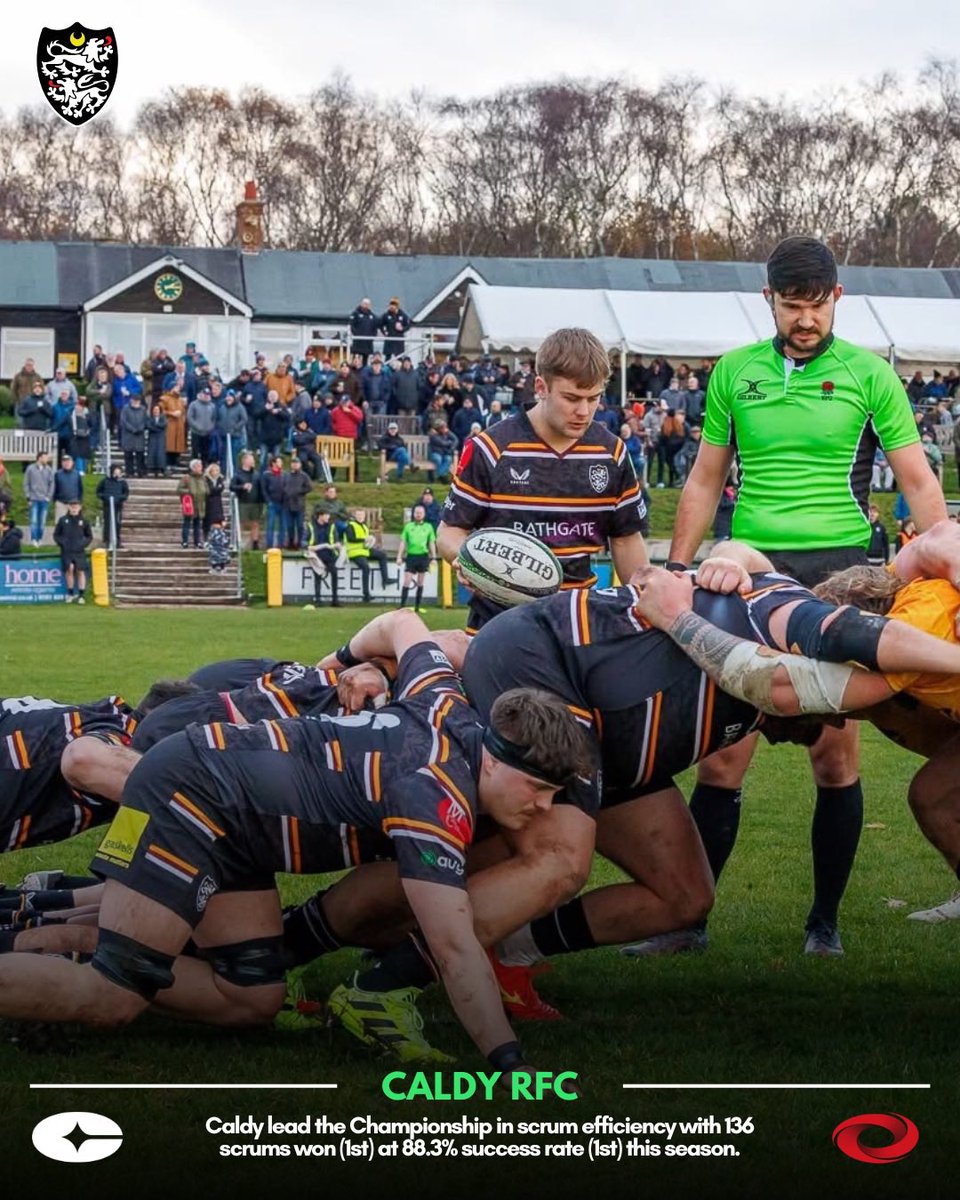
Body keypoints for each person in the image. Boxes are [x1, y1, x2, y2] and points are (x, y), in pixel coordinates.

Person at [0, 610, 590, 1077]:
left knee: (251, 997)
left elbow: (403, 621)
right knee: (114, 995)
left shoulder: (445, 701)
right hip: (180, 794)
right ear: (497, 756)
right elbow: (455, 947)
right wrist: (508, 1062)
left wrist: (347, 661)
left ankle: (51, 953)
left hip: (228, 820)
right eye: (538, 787)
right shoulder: (433, 799)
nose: (541, 807)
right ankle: (69, 968)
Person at [663, 234, 948, 956]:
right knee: (724, 756)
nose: (805, 320)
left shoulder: (870, 376)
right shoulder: (735, 373)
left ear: (836, 299)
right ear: (770, 300)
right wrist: (676, 564)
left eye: (816, 306)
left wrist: (943, 551)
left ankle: (824, 925)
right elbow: (704, 477)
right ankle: (686, 923)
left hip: (842, 572)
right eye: (792, 306)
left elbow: (915, 480)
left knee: (835, 759)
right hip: (747, 571)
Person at [438, 326, 649, 633]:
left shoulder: (611, 452)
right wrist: (467, 558)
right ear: (541, 386)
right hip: (498, 628)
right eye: (572, 398)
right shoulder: (491, 448)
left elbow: (625, 537)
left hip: (579, 627)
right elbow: (449, 532)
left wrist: (644, 604)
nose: (584, 411)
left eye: (593, 398)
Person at [397, 504, 436, 611]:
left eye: (420, 513)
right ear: (414, 514)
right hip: (411, 556)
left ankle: (417, 606)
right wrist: (399, 556)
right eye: (416, 513)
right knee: (407, 581)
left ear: (424, 514)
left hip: (423, 556)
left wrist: (433, 557)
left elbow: (431, 542)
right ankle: (402, 605)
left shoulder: (428, 527)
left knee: (420, 582)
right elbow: (403, 542)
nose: (418, 515)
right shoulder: (408, 526)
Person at [344, 507, 390, 601]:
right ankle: (366, 594)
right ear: (355, 516)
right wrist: (365, 539)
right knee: (366, 567)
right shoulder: (350, 525)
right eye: (358, 515)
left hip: (364, 550)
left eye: (362, 515)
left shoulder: (364, 526)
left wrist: (370, 542)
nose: (361, 517)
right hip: (354, 552)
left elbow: (366, 540)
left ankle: (385, 579)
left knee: (383, 555)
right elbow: (350, 538)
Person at [53, 499, 93, 603]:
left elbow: (89, 536)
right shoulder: (63, 520)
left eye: (76, 506)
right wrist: (62, 543)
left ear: (80, 507)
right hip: (67, 551)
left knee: (80, 571)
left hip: (79, 551)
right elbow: (56, 535)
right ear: (69, 507)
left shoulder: (84, 521)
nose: (74, 508)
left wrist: (83, 544)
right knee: (69, 569)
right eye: (72, 506)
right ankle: (70, 593)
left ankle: (81, 595)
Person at [305, 507, 342, 607]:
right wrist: (312, 547)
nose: (328, 517)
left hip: (329, 554)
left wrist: (336, 545)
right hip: (316, 554)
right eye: (326, 515)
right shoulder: (311, 526)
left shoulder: (332, 526)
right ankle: (318, 599)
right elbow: (304, 542)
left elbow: (336, 540)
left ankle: (335, 599)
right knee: (318, 574)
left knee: (334, 573)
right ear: (320, 516)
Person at [230, 451, 262, 549]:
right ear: (244, 461)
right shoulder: (238, 474)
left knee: (255, 523)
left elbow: (260, 487)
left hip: (256, 502)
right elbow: (232, 486)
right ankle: (240, 542)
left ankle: (255, 543)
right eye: (250, 459)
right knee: (242, 523)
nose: (253, 461)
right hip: (243, 502)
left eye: (253, 460)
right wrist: (242, 486)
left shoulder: (256, 474)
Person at [23, 449, 54, 548]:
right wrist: (28, 497)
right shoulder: (30, 468)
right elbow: (26, 483)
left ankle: (40, 539)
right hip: (33, 499)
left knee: (42, 521)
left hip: (44, 500)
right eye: (45, 457)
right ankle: (33, 539)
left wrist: (48, 497)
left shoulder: (49, 469)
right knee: (34, 520)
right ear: (39, 458)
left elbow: (52, 484)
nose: (47, 459)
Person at [281, 457, 312, 550]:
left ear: (300, 465)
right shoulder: (286, 475)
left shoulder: (304, 476)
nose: (295, 465)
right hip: (288, 504)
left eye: (296, 463)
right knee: (289, 526)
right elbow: (282, 486)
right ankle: (290, 543)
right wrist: (285, 493)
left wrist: (300, 491)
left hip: (299, 505)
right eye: (293, 463)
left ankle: (299, 543)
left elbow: (309, 487)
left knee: (299, 526)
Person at [97, 464, 129, 549]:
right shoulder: (105, 481)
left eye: (118, 472)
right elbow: (98, 492)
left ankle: (117, 541)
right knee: (107, 523)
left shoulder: (123, 482)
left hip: (118, 506)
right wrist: (105, 497)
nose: (117, 474)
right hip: (107, 506)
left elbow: (126, 493)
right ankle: (107, 541)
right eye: (115, 472)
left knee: (117, 524)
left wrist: (120, 498)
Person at [178, 459, 207, 550]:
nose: (200, 468)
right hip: (190, 505)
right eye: (198, 466)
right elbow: (179, 489)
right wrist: (189, 492)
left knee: (197, 524)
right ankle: (185, 541)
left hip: (200, 504)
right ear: (193, 468)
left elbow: (206, 489)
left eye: (201, 466)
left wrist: (206, 492)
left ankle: (197, 542)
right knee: (187, 523)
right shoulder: (186, 478)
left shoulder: (203, 478)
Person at [120, 393, 148, 478]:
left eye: (138, 400)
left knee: (140, 455)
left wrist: (140, 428)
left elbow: (145, 421)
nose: (136, 402)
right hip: (128, 436)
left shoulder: (143, 409)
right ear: (131, 400)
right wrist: (132, 429)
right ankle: (129, 472)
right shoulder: (125, 409)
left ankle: (141, 472)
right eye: (134, 400)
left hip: (139, 436)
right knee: (128, 455)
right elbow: (123, 421)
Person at [52, 453, 83, 523]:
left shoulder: (77, 474)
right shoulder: (57, 474)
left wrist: (80, 501)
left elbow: (80, 488)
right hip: (61, 503)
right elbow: (54, 488)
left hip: (74, 504)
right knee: (59, 523)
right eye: (64, 461)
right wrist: (55, 500)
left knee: (75, 524)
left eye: (68, 461)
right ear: (62, 463)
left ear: (72, 463)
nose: (66, 463)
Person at [349, 297, 380, 363]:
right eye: (365, 304)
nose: (366, 305)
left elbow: (375, 328)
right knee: (355, 360)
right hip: (357, 342)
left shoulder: (373, 316)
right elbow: (352, 326)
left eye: (368, 304)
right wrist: (357, 335)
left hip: (367, 344)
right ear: (361, 304)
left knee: (365, 360)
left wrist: (372, 337)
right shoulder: (355, 314)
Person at [202, 463, 226, 542]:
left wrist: (216, 489)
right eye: (214, 470)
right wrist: (216, 489)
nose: (216, 472)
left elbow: (221, 488)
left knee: (218, 520)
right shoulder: (206, 479)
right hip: (208, 503)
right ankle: (207, 538)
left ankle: (217, 539)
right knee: (208, 521)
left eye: (217, 470)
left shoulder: (220, 479)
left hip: (218, 503)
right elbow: (210, 490)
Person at [146, 404, 168, 478]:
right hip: (152, 438)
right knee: (152, 452)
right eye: (154, 410)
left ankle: (160, 468)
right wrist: (157, 427)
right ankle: (151, 467)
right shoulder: (150, 418)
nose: (156, 411)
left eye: (157, 410)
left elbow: (164, 425)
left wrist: (155, 425)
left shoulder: (163, 418)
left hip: (160, 438)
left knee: (160, 453)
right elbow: (148, 426)